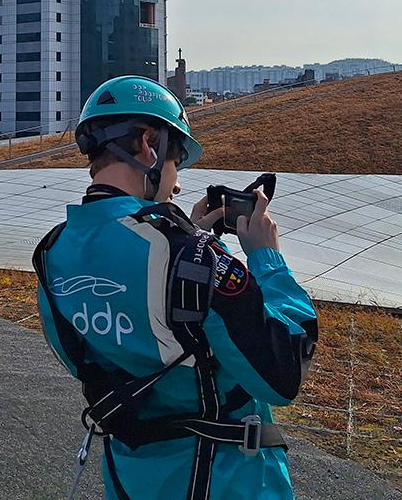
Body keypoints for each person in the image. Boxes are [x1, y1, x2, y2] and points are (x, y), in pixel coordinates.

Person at [34, 76, 318, 500]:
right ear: (149, 145)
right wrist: (266, 258)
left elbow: (86, 358)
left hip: (130, 476)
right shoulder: (190, 257)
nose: (178, 182)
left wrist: (191, 239)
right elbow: (284, 373)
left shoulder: (54, 250)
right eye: (177, 159)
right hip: (222, 478)